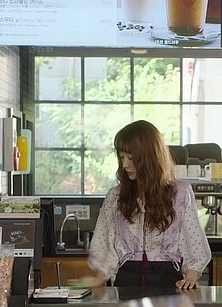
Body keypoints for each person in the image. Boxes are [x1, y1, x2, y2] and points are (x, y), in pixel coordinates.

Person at [84, 120, 211, 291]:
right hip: (127, 283)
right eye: (122, 157)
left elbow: (194, 241)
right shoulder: (115, 196)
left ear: (149, 158)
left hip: (168, 283)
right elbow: (105, 243)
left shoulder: (180, 193)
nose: (125, 164)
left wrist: (190, 278)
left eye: (131, 158)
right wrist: (97, 279)